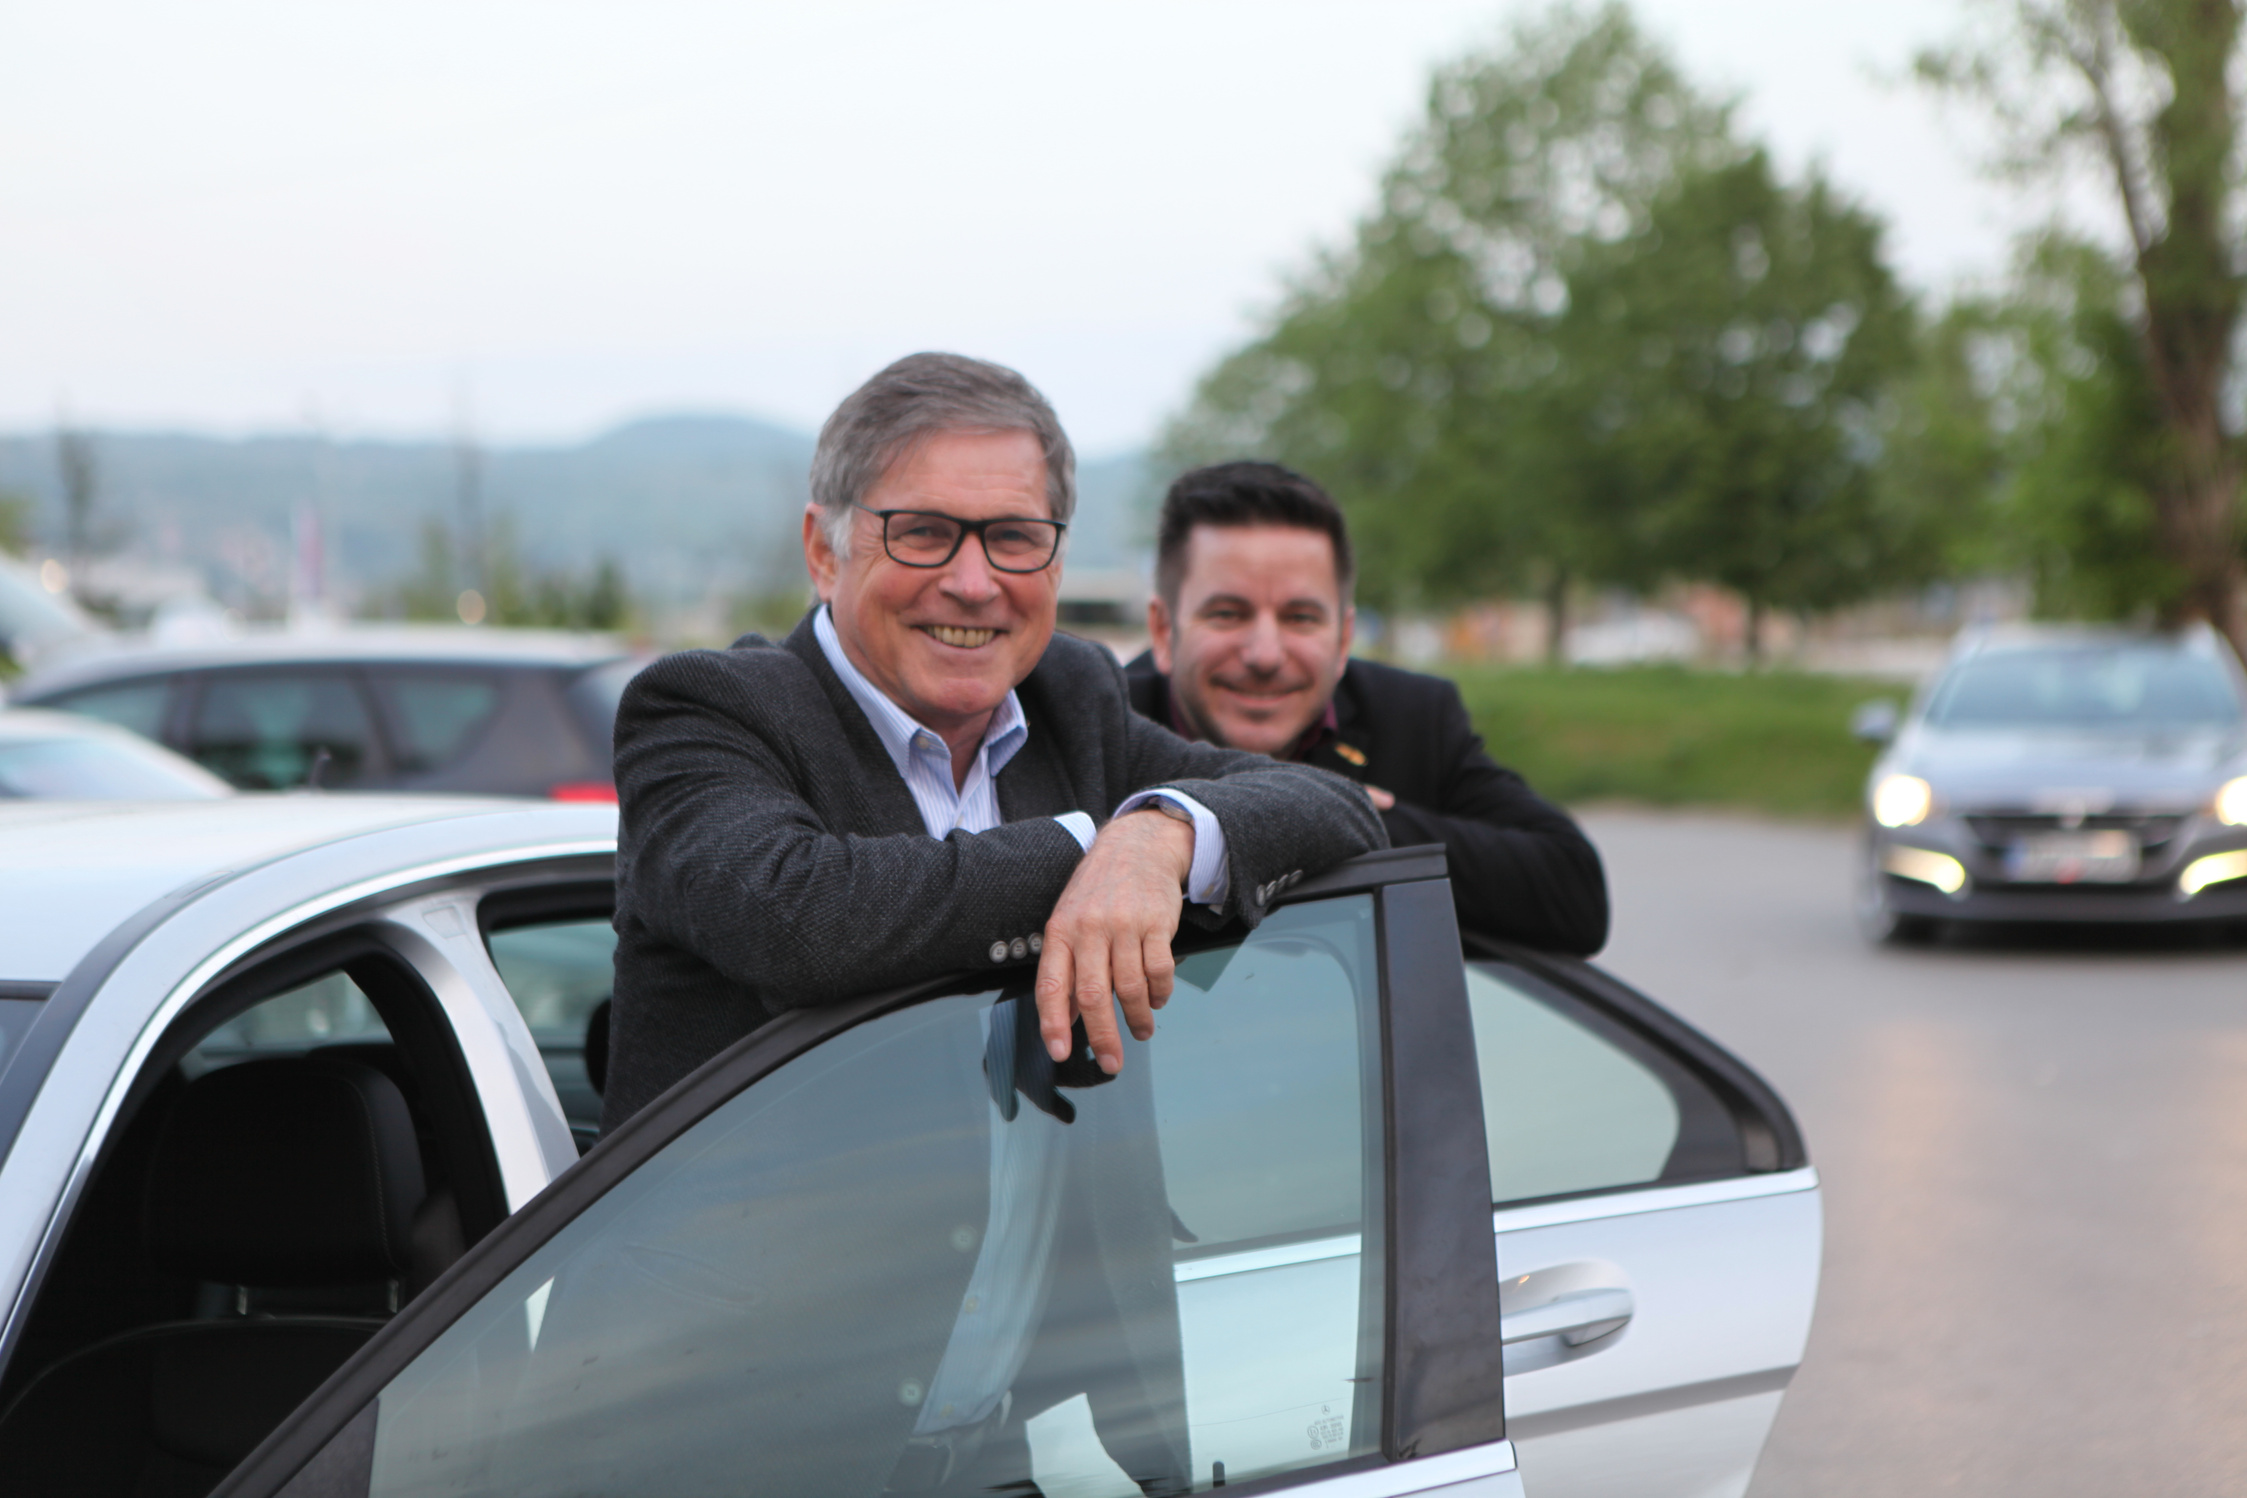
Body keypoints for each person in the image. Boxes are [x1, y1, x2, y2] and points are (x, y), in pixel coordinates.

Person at [604, 356, 1385, 1493]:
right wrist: (1088, 848)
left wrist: (1159, 833)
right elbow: (805, 919)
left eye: (1016, 538)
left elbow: (1335, 810)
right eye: (923, 532)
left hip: (1014, 1448)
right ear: (825, 547)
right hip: (727, 1438)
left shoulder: (1073, 702)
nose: (973, 582)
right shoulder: (710, 712)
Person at [1126, 461, 1608, 954]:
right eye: (1227, 614)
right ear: (1164, 631)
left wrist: (1334, 816)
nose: (1265, 654)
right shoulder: (1098, 723)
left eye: (1301, 617)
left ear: (1343, 639)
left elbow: (1574, 898)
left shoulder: (1415, 717)